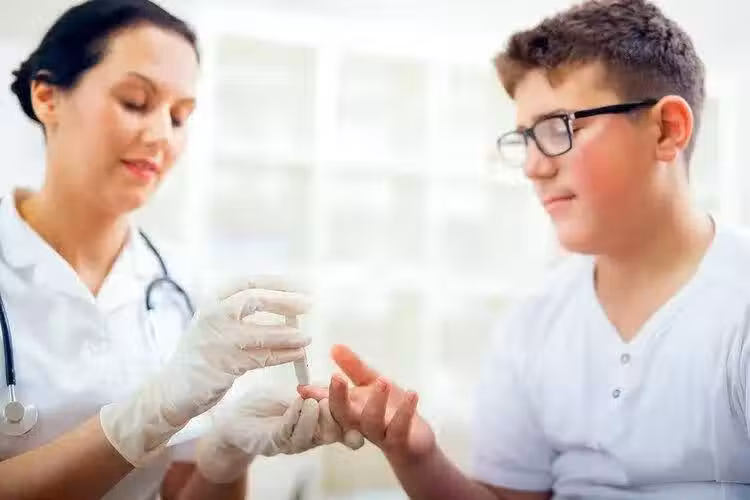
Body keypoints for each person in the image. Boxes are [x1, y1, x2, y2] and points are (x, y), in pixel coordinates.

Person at [301, 0, 750, 498]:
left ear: (666, 130)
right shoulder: (534, 323)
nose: (535, 167)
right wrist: (416, 455)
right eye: (526, 139)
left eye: (560, 129)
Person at [0, 1, 356, 499]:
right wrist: (147, 415)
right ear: (47, 98)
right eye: (135, 102)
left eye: (179, 116)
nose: (160, 136)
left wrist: (225, 458)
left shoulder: (182, 287)